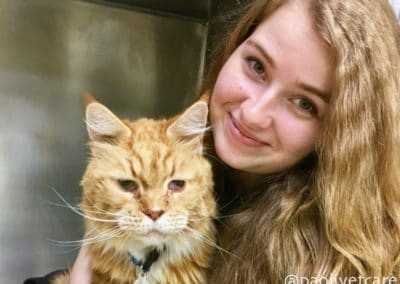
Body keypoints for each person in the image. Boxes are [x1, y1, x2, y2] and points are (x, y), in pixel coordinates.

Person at [25, 0, 400, 283]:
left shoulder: (337, 262)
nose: (253, 114)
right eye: (256, 65)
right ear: (234, 46)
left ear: (344, 131)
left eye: (305, 103)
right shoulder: (187, 151)